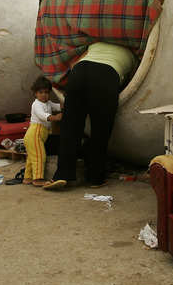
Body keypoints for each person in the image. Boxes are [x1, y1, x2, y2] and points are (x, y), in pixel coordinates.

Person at [43, 41, 136, 190]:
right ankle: (95, 178)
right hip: (107, 76)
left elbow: (76, 62)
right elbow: (130, 80)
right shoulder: (132, 53)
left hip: (79, 72)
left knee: (70, 127)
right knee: (100, 130)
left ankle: (62, 174)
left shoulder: (95, 43)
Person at [23, 76, 61, 187]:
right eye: (41, 92)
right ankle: (38, 179)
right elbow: (43, 116)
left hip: (39, 134)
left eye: (46, 92)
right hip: (35, 133)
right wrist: (55, 117)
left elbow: (57, 106)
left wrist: (65, 104)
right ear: (35, 93)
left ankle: (28, 178)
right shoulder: (36, 105)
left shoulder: (48, 103)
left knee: (31, 158)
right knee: (40, 156)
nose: (44, 95)